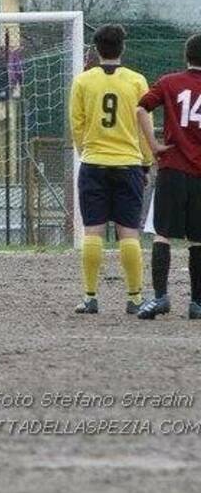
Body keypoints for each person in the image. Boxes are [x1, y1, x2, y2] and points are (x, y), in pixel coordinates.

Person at [68, 25, 151, 315]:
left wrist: (85, 151)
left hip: (93, 163)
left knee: (93, 231)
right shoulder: (138, 81)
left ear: (95, 49)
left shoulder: (82, 82)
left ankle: (91, 297)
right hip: (128, 163)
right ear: (122, 48)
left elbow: (76, 125)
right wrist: (146, 161)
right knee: (129, 232)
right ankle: (135, 298)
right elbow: (145, 126)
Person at [135, 33, 201, 320]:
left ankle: (161, 298)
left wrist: (154, 145)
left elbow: (140, 108)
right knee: (198, 239)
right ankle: (197, 303)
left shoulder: (168, 82)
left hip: (172, 168)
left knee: (162, 235)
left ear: (186, 56)